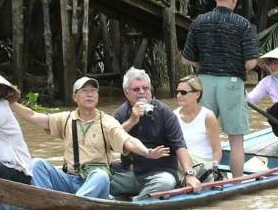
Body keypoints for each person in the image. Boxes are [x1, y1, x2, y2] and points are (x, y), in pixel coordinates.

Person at [11, 76, 167, 199]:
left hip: (94, 183)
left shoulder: (106, 122)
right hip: (70, 179)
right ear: (75, 97)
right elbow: (33, 116)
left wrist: (147, 152)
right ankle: (45, 202)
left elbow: (128, 140)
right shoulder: (65, 119)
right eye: (85, 91)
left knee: (101, 175)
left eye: (93, 91)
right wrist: (11, 103)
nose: (90, 94)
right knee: (37, 163)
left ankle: (73, 205)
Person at [182, 0, 259, 177]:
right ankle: (237, 184)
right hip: (232, 83)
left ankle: (200, 176)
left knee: (204, 133)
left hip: (203, 82)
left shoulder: (199, 21)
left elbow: (186, 58)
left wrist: (204, 66)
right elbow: (251, 62)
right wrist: (233, 68)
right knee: (236, 140)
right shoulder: (242, 24)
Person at [113, 68, 202, 200]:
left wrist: (190, 174)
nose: (142, 92)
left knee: (165, 183)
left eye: (145, 88)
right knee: (103, 180)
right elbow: (110, 142)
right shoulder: (121, 113)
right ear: (127, 93)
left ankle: (135, 204)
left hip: (160, 173)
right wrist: (132, 120)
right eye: (136, 89)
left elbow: (179, 145)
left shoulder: (164, 112)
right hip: (131, 174)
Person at [174, 75, 222, 181]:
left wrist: (214, 168)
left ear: (197, 94)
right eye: (177, 92)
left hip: (202, 164)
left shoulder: (208, 116)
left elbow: (217, 150)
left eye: (183, 92)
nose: (178, 95)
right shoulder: (174, 115)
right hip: (182, 161)